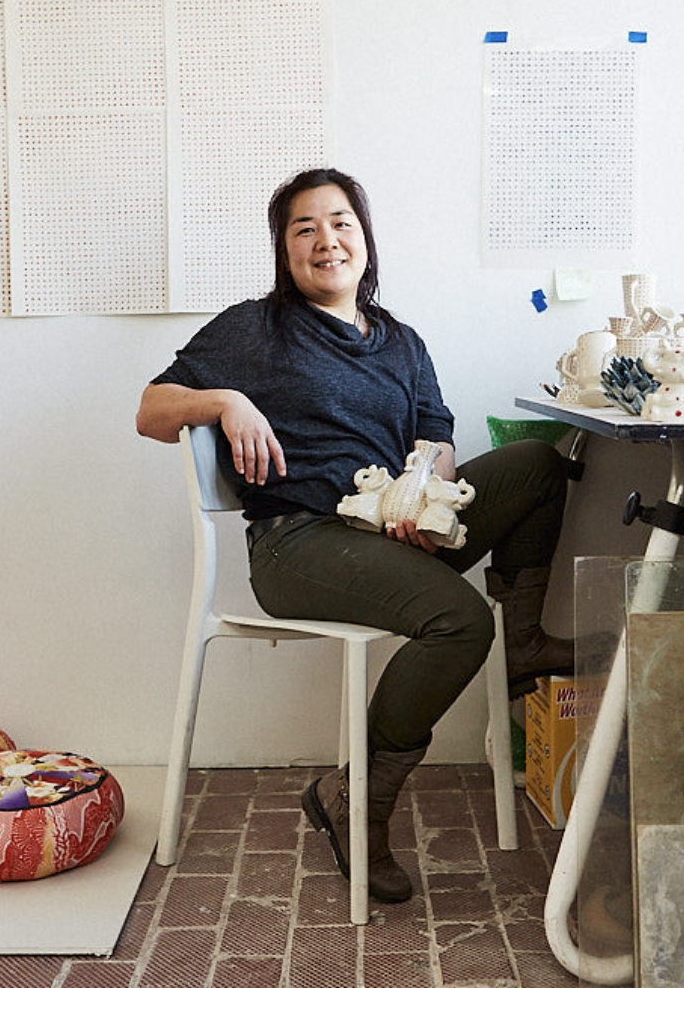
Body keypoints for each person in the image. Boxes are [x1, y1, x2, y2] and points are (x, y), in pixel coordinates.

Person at [136, 168, 572, 905]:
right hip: (298, 542)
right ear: (285, 251)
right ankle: (357, 800)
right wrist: (226, 399)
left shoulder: (400, 340)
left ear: (364, 238)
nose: (325, 240)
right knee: (458, 623)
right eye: (303, 228)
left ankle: (523, 637)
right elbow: (151, 410)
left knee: (537, 466)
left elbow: (438, 436)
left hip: (390, 530)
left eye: (340, 222)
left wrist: (423, 492)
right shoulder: (255, 327)